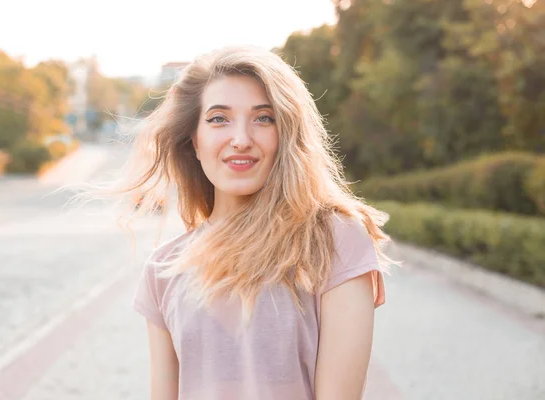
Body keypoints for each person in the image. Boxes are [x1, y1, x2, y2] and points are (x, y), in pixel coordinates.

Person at [124, 46, 394, 400]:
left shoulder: (335, 240)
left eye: (263, 118)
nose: (241, 139)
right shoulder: (162, 269)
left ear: (286, 134)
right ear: (194, 140)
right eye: (219, 118)